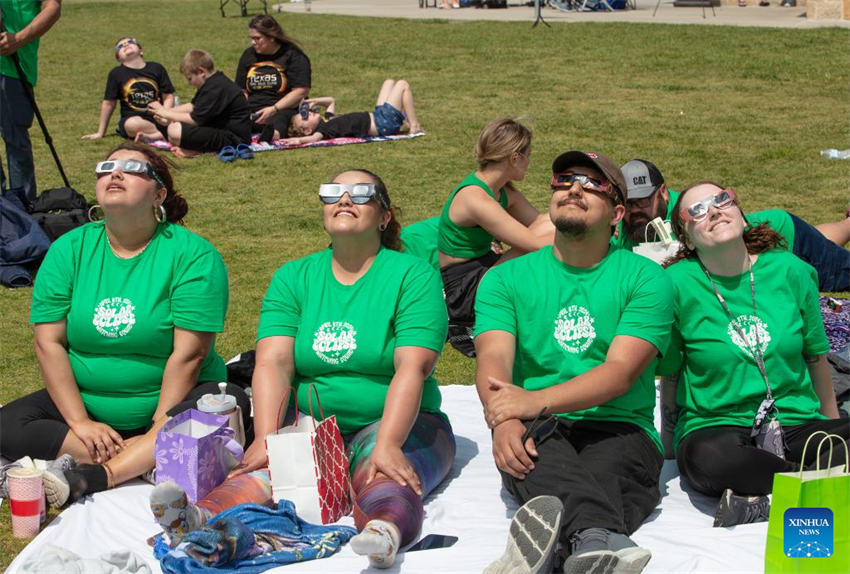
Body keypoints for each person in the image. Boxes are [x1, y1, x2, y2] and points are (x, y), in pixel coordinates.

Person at [0, 142, 250, 507]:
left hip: (174, 401)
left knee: (225, 409)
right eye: (106, 167)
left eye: (132, 168)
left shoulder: (193, 255)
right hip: (89, 407)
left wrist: (159, 425)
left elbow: (190, 354)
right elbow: (48, 343)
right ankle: (148, 459)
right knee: (7, 424)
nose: (114, 173)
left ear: (158, 194)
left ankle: (102, 473)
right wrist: (80, 422)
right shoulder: (68, 249)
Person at [231, 169, 456, 569]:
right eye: (333, 192)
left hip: (399, 421)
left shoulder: (413, 275)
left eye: (361, 193)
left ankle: (383, 533)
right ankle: (199, 525)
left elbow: (412, 367)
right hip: (314, 424)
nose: (345, 199)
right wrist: (267, 438)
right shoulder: (293, 277)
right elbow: (273, 362)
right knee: (265, 475)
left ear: (385, 217)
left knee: (380, 474)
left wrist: (387, 442)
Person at [477, 151, 672, 574]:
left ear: (617, 213)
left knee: (609, 474)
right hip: (539, 425)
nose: (575, 188)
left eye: (593, 184)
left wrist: (532, 401)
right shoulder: (505, 278)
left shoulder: (645, 278)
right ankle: (596, 544)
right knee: (532, 454)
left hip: (619, 424)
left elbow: (620, 373)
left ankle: (548, 558)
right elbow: (493, 358)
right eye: (564, 179)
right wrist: (503, 419)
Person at [657, 182, 847, 527]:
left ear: (740, 214)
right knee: (709, 460)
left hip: (794, 419)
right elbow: (671, 371)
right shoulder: (675, 284)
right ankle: (821, 483)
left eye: (721, 200)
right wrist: (668, 450)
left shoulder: (790, 270)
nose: (714, 211)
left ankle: (769, 494)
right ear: (686, 237)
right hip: (716, 425)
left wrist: (829, 427)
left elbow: (815, 358)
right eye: (697, 210)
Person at [618, 159, 850, 291]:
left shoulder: (685, 217)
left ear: (664, 194)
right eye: (629, 203)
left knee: (835, 269)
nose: (636, 209)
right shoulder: (620, 225)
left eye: (644, 200)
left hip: (781, 238)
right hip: (774, 229)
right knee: (823, 242)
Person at [438, 117, 554, 357]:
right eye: (527, 156)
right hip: (463, 290)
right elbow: (534, 244)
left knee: (554, 225)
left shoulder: (502, 191)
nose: (529, 163)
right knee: (532, 252)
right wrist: (587, 236)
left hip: (483, 268)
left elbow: (541, 222)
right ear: (514, 157)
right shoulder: (475, 198)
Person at [0, 0, 62, 201]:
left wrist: (18, 39)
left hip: (12, 66)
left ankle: (23, 209)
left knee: (16, 141)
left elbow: (52, 8)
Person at [146, 50, 250, 157]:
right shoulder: (211, 83)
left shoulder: (215, 88)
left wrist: (166, 114)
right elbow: (192, 106)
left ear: (201, 72)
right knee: (172, 126)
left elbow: (195, 119)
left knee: (174, 130)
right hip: (219, 128)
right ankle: (193, 148)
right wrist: (165, 111)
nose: (189, 83)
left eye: (190, 79)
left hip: (234, 138)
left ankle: (197, 151)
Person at [81, 37, 175, 142]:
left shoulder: (156, 68)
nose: (126, 45)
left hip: (159, 117)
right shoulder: (116, 73)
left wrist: (165, 114)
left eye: (130, 42)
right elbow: (109, 104)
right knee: (133, 124)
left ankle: (155, 136)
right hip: (133, 119)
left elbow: (168, 96)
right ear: (119, 59)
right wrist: (100, 132)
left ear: (141, 51)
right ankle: (166, 134)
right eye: (120, 46)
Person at [235, 14, 311, 142]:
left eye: (257, 38)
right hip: (253, 109)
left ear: (271, 37)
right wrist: (242, 108)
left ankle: (273, 134)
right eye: (251, 38)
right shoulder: (248, 55)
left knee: (281, 119)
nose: (253, 42)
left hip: (282, 108)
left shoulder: (293, 56)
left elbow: (301, 91)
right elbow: (241, 89)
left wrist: (273, 109)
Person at [282, 79, 422, 146]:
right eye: (305, 116)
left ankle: (402, 123)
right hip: (382, 123)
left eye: (305, 112)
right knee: (403, 85)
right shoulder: (324, 130)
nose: (309, 112)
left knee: (388, 82)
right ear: (307, 130)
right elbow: (314, 139)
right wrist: (299, 140)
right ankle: (414, 125)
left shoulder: (327, 120)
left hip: (378, 115)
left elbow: (331, 101)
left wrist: (315, 101)